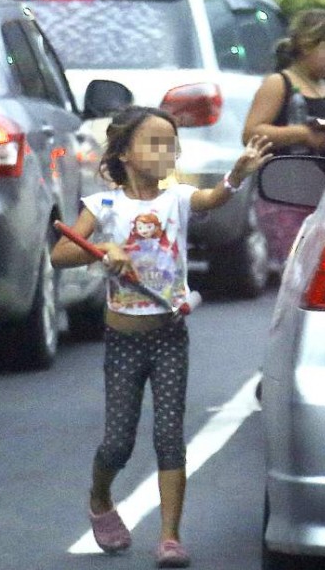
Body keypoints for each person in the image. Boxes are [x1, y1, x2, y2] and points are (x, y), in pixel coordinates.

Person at [50, 105, 272, 569]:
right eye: (155, 143)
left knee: (170, 436)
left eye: (172, 143)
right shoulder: (104, 205)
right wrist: (105, 250)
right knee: (118, 442)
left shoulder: (176, 200)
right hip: (122, 340)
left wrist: (236, 174)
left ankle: (170, 536)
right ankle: (99, 497)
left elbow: (212, 201)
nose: (167, 151)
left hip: (170, 334)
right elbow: (61, 253)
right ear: (126, 154)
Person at [241, 8, 325, 268]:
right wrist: (301, 134)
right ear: (308, 46)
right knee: (297, 267)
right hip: (285, 192)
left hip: (321, 192)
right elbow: (251, 132)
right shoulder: (280, 83)